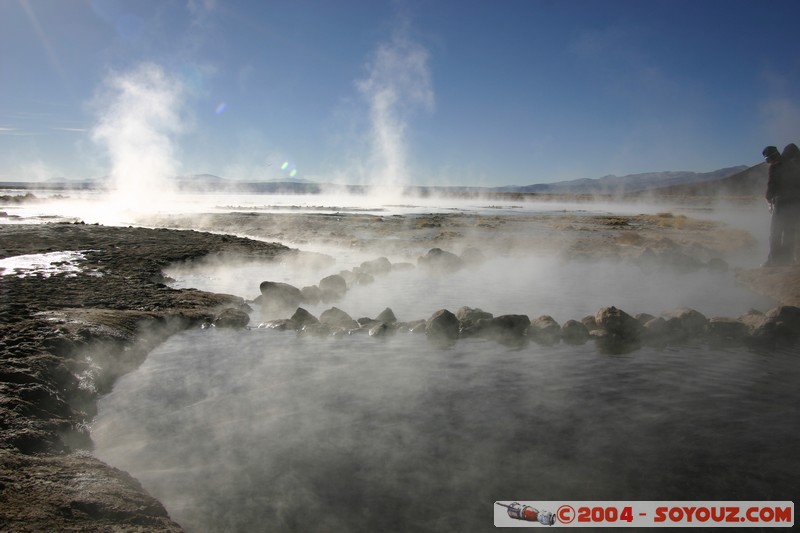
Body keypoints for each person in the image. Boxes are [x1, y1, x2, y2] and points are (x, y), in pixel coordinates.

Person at [763, 144, 800, 266]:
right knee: (790, 232)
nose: (769, 163)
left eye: (768, 160)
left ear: (770, 158)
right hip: (795, 205)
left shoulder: (775, 168)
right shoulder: (793, 164)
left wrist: (768, 200)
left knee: (775, 233)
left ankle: (774, 261)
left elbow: (770, 190)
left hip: (781, 205)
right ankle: (788, 260)